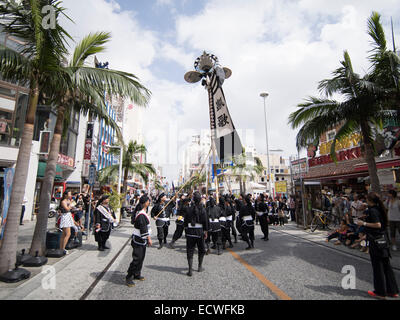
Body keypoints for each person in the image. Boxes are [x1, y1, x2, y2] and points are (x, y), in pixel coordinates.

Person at [356, 192, 399, 299]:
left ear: (370, 200)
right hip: (383, 240)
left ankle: (380, 292)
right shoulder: (380, 208)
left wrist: (364, 223)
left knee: (378, 267)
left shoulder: (373, 210)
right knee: (386, 266)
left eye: (367, 199)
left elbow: (378, 225)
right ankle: (392, 290)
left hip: (376, 241)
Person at [126, 195, 152, 287]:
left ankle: (137, 274)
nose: (149, 202)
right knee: (137, 259)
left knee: (141, 258)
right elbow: (143, 229)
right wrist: (149, 238)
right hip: (138, 239)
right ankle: (129, 276)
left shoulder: (143, 212)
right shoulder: (141, 215)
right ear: (145, 203)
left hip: (142, 239)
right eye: (148, 201)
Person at [184, 191, 208, 277]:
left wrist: (186, 230)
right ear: (201, 200)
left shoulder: (188, 209)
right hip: (199, 232)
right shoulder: (203, 210)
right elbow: (205, 222)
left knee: (190, 251)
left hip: (190, 232)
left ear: (193, 200)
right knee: (201, 250)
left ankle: (190, 269)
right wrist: (206, 231)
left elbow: (185, 222)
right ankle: (199, 266)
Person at [59, 191, 75, 255]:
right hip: (65, 217)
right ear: (66, 195)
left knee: (64, 234)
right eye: (69, 194)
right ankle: (63, 248)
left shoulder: (69, 200)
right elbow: (67, 209)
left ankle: (61, 248)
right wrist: (71, 205)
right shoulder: (63, 201)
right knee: (68, 234)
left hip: (68, 216)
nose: (70, 195)